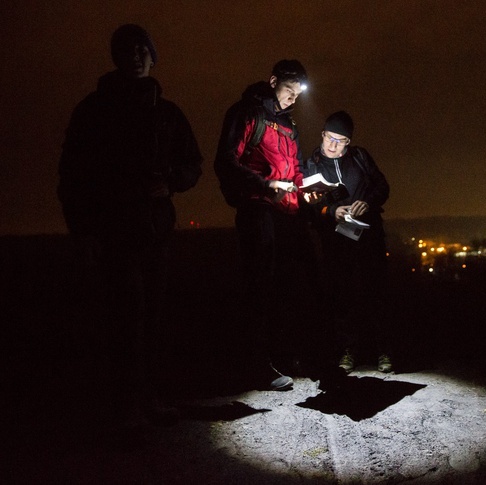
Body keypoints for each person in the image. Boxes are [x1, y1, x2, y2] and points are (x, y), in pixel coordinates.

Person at [58, 24, 203, 425]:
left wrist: (170, 181)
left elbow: (193, 164)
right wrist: (83, 231)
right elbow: (72, 176)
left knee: (152, 315)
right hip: (112, 232)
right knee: (124, 314)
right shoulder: (93, 111)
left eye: (143, 48)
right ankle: (123, 403)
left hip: (155, 232)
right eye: (128, 49)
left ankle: (146, 398)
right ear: (117, 57)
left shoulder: (168, 113)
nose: (136, 55)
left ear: (153, 56)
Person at [215, 60, 316, 391]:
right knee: (259, 287)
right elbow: (226, 161)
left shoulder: (288, 125)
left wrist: (306, 187)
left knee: (287, 287)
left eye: (297, 94)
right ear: (273, 82)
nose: (292, 99)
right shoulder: (248, 113)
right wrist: (263, 186)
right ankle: (256, 364)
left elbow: (295, 167)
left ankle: (282, 355)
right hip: (258, 210)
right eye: (289, 91)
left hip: (287, 214)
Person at [301, 111, 392, 373]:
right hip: (336, 240)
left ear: (348, 142)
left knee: (376, 292)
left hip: (368, 236)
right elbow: (308, 207)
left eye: (341, 141)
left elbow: (382, 187)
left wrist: (368, 202)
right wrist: (331, 212)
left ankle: (383, 350)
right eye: (330, 138)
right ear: (322, 135)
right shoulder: (312, 166)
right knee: (342, 295)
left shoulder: (360, 158)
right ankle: (347, 351)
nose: (333, 145)